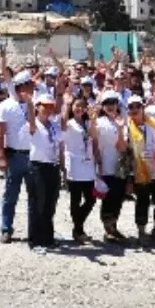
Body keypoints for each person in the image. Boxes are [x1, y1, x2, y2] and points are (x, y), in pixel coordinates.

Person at [0, 71, 35, 243]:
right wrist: (1, 156)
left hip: (34, 157)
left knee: (34, 196)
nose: (33, 87)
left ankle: (34, 231)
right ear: (22, 87)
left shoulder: (35, 104)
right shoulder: (5, 106)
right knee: (10, 195)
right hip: (15, 156)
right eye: (30, 85)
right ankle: (6, 228)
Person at [125, 94, 155, 245]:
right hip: (139, 172)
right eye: (131, 107)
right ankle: (141, 232)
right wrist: (129, 177)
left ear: (143, 108)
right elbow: (127, 153)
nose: (135, 110)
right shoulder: (126, 128)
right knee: (142, 202)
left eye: (138, 106)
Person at [26, 90, 62, 251]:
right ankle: (35, 240)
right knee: (37, 203)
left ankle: (48, 238)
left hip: (52, 167)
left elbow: (59, 145)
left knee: (50, 203)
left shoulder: (54, 125)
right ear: (38, 107)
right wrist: (29, 104)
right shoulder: (34, 124)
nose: (48, 109)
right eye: (44, 106)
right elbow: (32, 123)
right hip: (37, 167)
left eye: (50, 106)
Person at [61, 94, 99, 243]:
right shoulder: (69, 123)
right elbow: (62, 125)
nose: (80, 109)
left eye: (83, 106)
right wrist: (66, 105)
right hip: (75, 164)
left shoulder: (88, 123)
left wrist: (93, 120)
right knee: (75, 199)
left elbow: (93, 137)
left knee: (91, 199)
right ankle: (79, 230)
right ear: (72, 107)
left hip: (88, 163)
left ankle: (77, 226)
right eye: (77, 106)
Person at [95, 90, 130, 244]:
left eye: (113, 103)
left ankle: (113, 226)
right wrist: (98, 164)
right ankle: (107, 228)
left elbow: (122, 148)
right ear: (102, 106)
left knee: (118, 197)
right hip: (105, 165)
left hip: (119, 166)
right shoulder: (99, 123)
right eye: (107, 103)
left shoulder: (123, 122)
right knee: (108, 199)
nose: (110, 106)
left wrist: (121, 129)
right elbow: (94, 145)